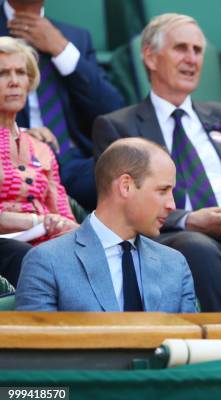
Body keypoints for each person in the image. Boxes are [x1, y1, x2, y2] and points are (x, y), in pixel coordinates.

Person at [92, 14, 221, 312]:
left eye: (198, 51)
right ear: (150, 56)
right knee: (198, 247)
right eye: (181, 48)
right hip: (173, 233)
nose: (192, 59)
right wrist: (189, 219)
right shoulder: (119, 127)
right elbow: (120, 202)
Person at [16, 138, 197, 312]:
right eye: (162, 190)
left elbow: (186, 342)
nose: (172, 205)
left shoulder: (175, 264)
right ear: (126, 186)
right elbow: (38, 342)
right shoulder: (47, 261)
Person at [1, 0, 125, 211]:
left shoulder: (75, 37)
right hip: (13, 159)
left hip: (73, 161)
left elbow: (111, 109)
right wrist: (19, 135)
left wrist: (61, 48)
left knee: (126, 176)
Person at [0, 36, 78, 284]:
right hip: (9, 248)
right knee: (31, 257)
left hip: (45, 243)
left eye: (20, 72)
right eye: (2, 73)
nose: (14, 81)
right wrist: (38, 222)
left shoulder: (41, 148)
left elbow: (62, 211)